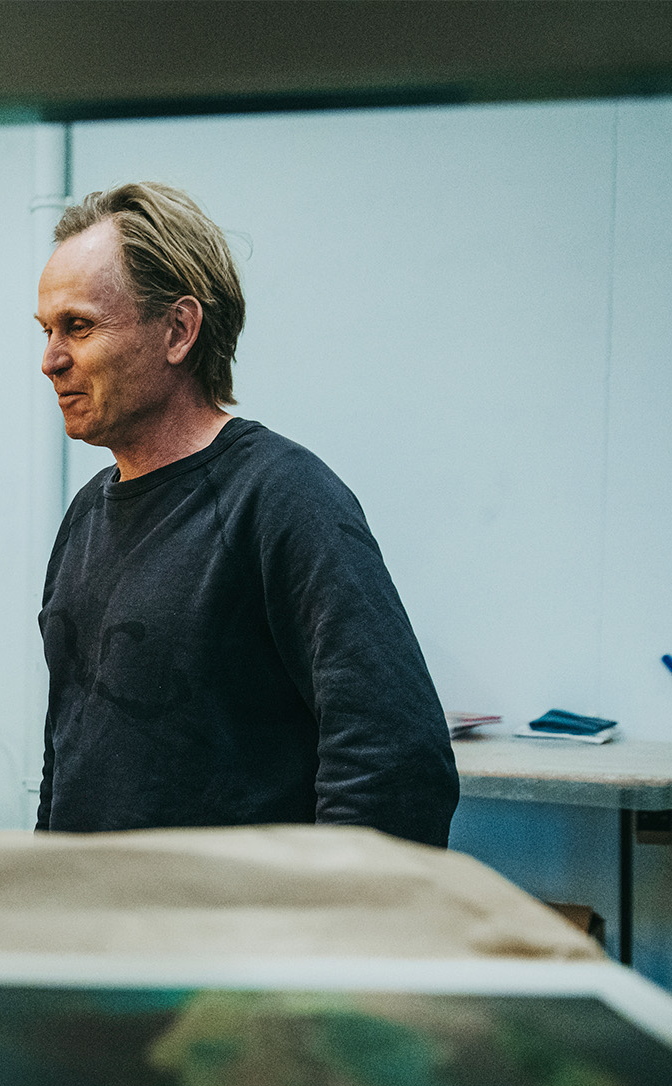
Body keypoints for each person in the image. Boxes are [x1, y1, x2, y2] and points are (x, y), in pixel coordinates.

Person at [34, 183, 457, 846]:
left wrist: (324, 912)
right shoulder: (86, 515)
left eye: (79, 327)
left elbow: (395, 760)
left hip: (235, 913)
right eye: (47, 331)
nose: (51, 360)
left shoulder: (284, 498)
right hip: (88, 908)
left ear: (178, 330)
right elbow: (67, 760)